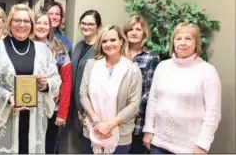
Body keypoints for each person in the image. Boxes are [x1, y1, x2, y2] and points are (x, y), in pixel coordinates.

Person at [0, 4, 61, 153]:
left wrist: (45, 84)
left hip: (34, 118)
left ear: (32, 24)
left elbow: (56, 78)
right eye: (17, 20)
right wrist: (8, 97)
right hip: (7, 118)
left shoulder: (43, 50)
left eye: (26, 21)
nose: (22, 25)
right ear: (10, 23)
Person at [143, 23, 222, 154]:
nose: (183, 43)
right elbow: (153, 100)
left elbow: (213, 112)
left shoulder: (207, 71)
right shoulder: (162, 67)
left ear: (196, 43)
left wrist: (203, 144)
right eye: (178, 38)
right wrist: (149, 130)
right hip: (159, 143)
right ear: (173, 42)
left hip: (190, 147)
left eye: (188, 39)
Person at [80, 25, 142, 154]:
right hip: (92, 130)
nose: (108, 44)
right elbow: (83, 94)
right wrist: (97, 122)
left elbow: (134, 104)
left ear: (121, 41)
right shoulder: (91, 65)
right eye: (104, 41)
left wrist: (109, 125)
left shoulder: (132, 70)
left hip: (120, 135)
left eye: (113, 40)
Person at [31, 11, 72, 154]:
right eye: (38, 22)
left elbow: (66, 82)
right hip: (27, 107)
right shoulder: (24, 46)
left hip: (51, 109)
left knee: (48, 147)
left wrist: (62, 113)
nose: (42, 26)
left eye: (45, 23)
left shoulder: (58, 48)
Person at [64, 10, 102, 154]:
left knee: (93, 145)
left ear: (98, 26)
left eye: (91, 24)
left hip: (90, 107)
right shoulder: (79, 45)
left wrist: (86, 110)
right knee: (81, 144)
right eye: (83, 23)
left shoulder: (100, 48)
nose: (86, 26)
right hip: (75, 103)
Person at [123, 15, 160, 154]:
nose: (133, 32)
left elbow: (150, 91)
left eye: (138, 29)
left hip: (137, 118)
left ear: (144, 33)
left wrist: (132, 109)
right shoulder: (118, 55)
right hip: (114, 118)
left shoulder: (151, 58)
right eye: (130, 29)